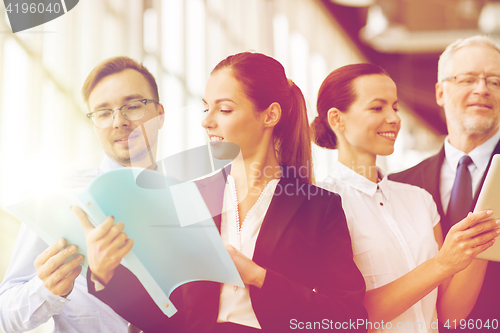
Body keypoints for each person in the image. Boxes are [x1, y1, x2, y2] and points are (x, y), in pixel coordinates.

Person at [71, 52, 368, 333]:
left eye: (224, 109)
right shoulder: (188, 197)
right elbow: (171, 317)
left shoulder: (318, 207)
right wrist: (103, 276)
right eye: (206, 107)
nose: (206, 121)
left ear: (270, 115)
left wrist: (258, 277)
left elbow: (349, 319)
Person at [311, 63, 500, 333]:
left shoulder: (419, 200)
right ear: (336, 119)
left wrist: (480, 242)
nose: (394, 118)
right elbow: (345, 317)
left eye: (395, 107)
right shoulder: (321, 202)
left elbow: (449, 315)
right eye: (377, 107)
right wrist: (442, 264)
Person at [0, 56, 165, 333]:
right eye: (103, 112)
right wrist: (47, 289)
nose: (118, 121)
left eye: (133, 106)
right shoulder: (61, 197)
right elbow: (4, 314)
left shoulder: (192, 201)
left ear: (160, 114)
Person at [389, 36, 500, 332]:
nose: (482, 89)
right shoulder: (397, 186)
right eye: (467, 79)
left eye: (495, 82)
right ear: (440, 92)